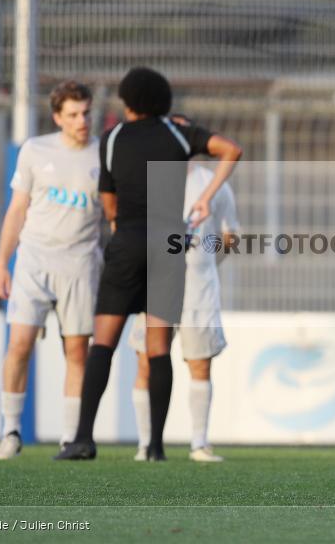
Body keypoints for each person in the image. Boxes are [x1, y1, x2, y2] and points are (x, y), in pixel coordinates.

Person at [55, 67, 242, 461]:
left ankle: (83, 439)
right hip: (167, 246)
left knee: (102, 344)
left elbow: (108, 198)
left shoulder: (113, 137)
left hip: (127, 244)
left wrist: (119, 225)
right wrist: (206, 196)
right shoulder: (178, 134)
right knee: (158, 349)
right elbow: (231, 150)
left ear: (128, 102)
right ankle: (155, 447)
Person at [0, 80, 100, 459]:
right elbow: (17, 209)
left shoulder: (103, 156)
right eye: (73, 114)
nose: (81, 120)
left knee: (77, 351)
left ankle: (71, 438)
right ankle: (10, 431)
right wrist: (2, 262)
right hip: (35, 260)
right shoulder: (35, 150)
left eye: (86, 112)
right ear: (58, 117)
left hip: (81, 263)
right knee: (19, 343)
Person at [128, 158, 240, 462]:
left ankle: (199, 443)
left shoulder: (214, 183)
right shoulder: (149, 179)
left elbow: (231, 235)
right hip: (155, 287)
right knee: (146, 362)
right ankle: (145, 443)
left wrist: (206, 263)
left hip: (199, 291)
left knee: (200, 364)